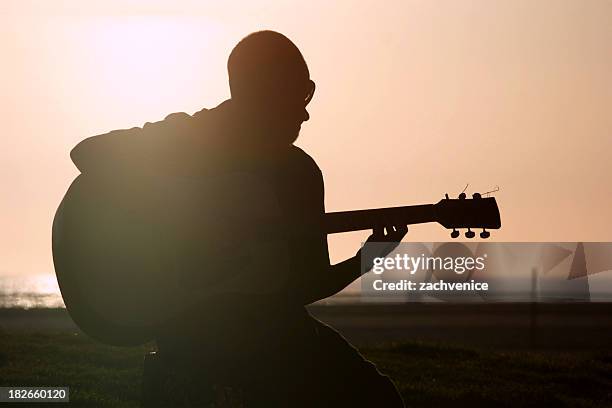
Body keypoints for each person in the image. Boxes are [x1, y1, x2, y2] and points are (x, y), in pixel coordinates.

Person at [71, 30, 407, 407]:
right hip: (212, 333)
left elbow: (302, 284)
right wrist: (176, 216)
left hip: (260, 332)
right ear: (265, 94)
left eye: (307, 94)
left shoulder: (297, 173)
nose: (306, 111)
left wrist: (367, 259)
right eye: (299, 94)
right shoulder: (188, 138)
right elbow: (86, 153)